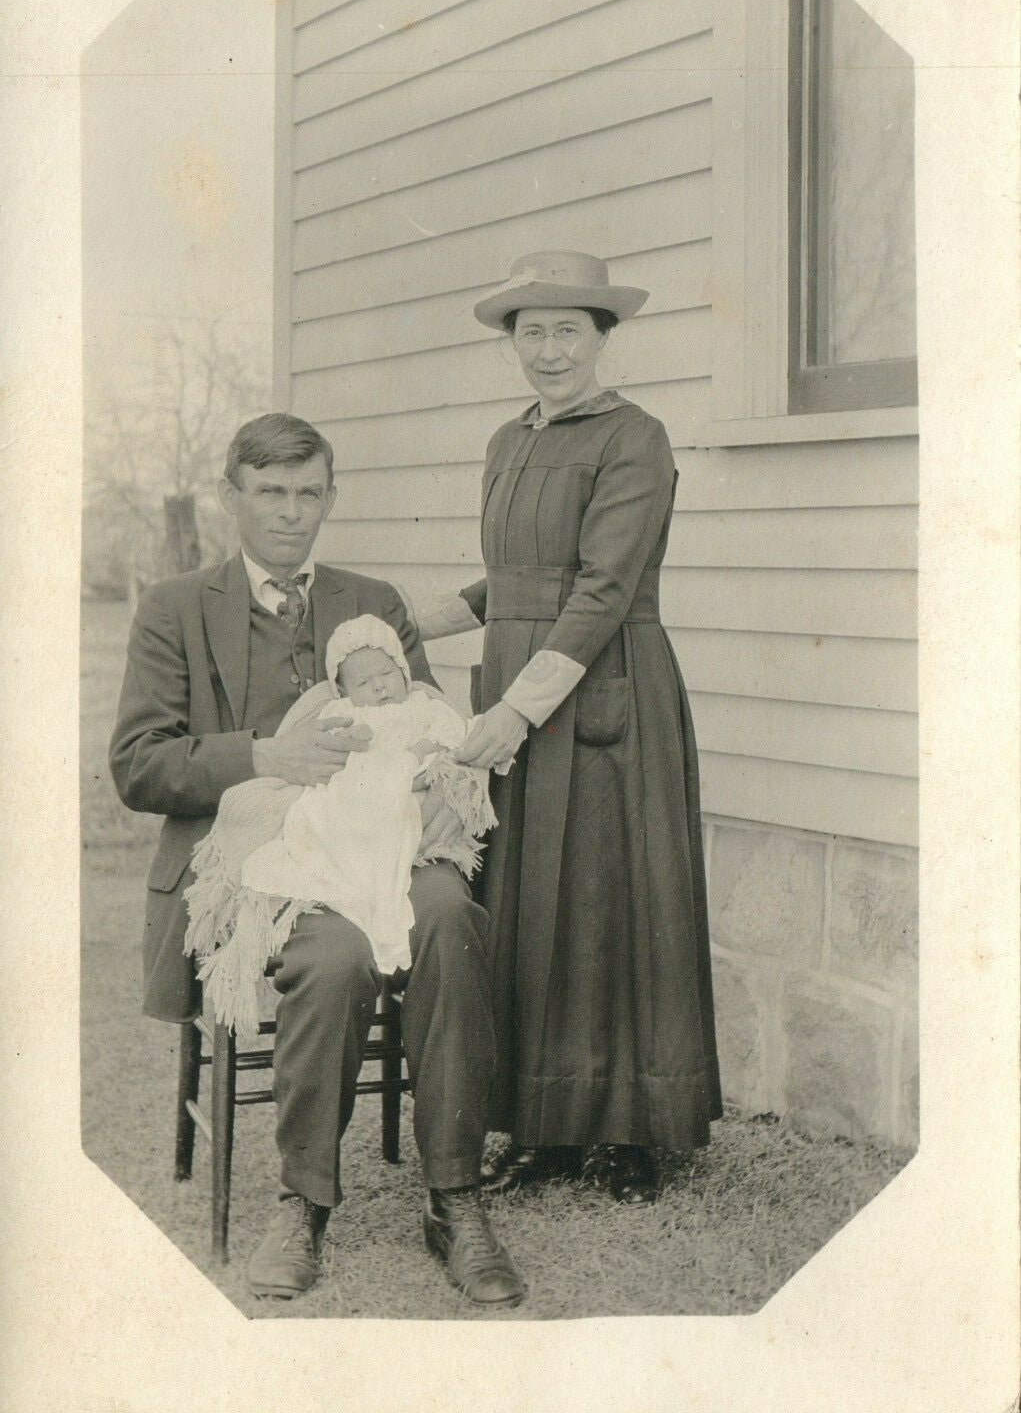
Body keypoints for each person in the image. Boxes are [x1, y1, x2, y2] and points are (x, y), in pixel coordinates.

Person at [109, 413, 524, 1306]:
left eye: (308, 494)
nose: (290, 514)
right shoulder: (176, 607)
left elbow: (425, 725)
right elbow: (138, 764)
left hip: (385, 838)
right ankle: (303, 1202)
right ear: (233, 498)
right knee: (332, 958)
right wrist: (262, 756)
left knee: (450, 917)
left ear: (329, 496)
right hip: (256, 861)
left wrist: (427, 781)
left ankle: (454, 1195)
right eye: (270, 494)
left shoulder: (371, 600)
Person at [413, 251, 722, 1205]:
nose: (548, 351)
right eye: (530, 332)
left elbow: (599, 592)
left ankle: (632, 1135)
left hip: (605, 695)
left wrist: (514, 709)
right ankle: (543, 1129)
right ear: (512, 343)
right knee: (529, 908)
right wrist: (403, 620)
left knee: (607, 903)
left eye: (567, 332)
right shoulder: (509, 441)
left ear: (601, 339)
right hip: (518, 691)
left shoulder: (635, 436)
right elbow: (510, 581)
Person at [183, 613, 498, 1037]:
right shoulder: (336, 711)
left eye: (388, 674)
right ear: (344, 689)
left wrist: (443, 766)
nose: (381, 686)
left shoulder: (422, 706)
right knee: (333, 958)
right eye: (366, 683)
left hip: (411, 829)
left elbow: (459, 740)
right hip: (345, 822)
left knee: (450, 917)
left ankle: (453, 1103)